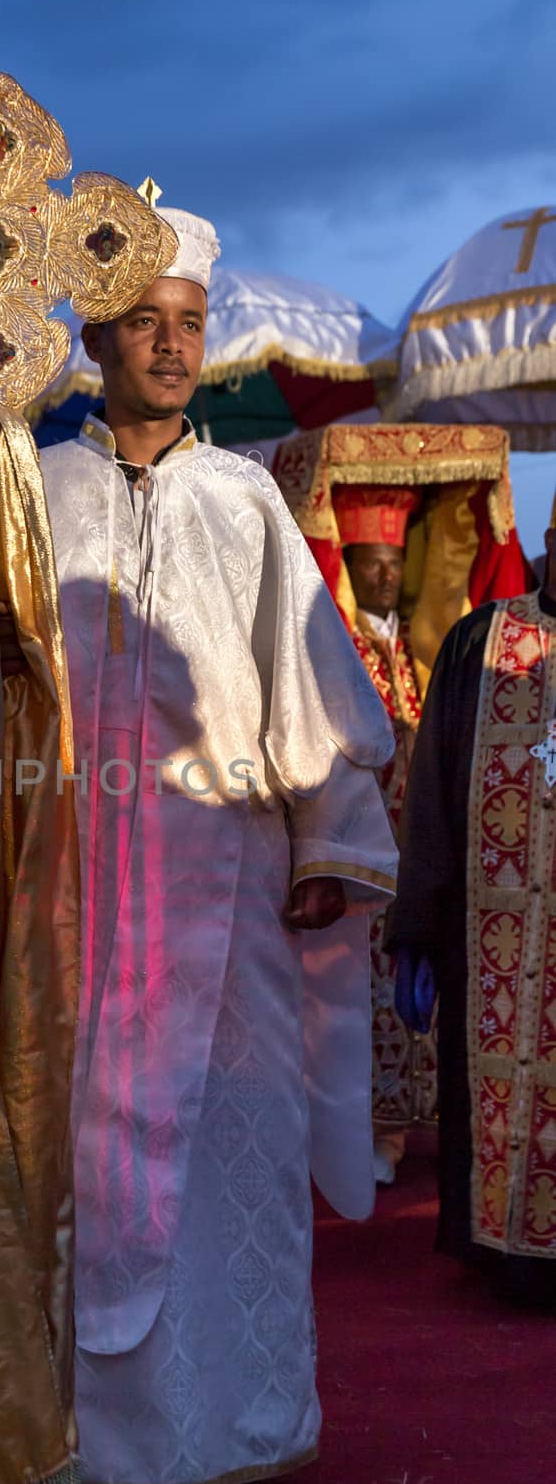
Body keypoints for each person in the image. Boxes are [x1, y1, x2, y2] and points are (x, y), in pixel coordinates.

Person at [0, 206, 400, 1484]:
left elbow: (315, 686)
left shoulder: (243, 502)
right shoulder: (26, 495)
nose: (168, 346)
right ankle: (70, 1462)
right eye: (142, 322)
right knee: (79, 1179)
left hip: (230, 901)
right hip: (71, 913)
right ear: (90, 335)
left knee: (238, 1177)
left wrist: (328, 844)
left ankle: (234, 1459)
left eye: (187, 323)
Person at [388, 528, 556, 1305]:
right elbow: (431, 786)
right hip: (492, 935)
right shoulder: (478, 642)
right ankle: (499, 1251)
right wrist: (416, 920)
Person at [337, 491, 433, 1185]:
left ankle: (412, 1124)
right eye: (371, 564)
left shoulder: (420, 647)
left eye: (393, 564)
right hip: (362, 850)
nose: (384, 577)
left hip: (418, 849)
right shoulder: (340, 645)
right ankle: (365, 1127)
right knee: (360, 994)